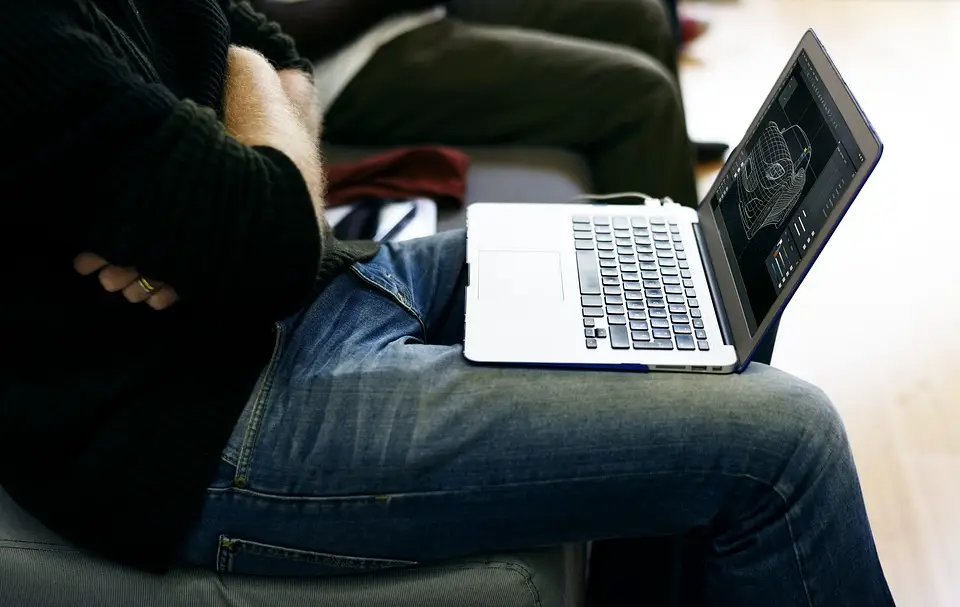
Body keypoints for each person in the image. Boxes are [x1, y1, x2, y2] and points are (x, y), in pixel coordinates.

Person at [0, 2, 896, 606]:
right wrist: (247, 139)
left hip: (300, 304)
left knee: (689, 253)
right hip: (206, 429)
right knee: (789, 439)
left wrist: (237, 152)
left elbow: (262, 41)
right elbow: (269, 223)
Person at [251, 0, 729, 206]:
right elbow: (265, 28)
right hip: (344, 60)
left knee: (638, 15)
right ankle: (674, 333)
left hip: (409, 12)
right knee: (641, 98)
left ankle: (663, 161)